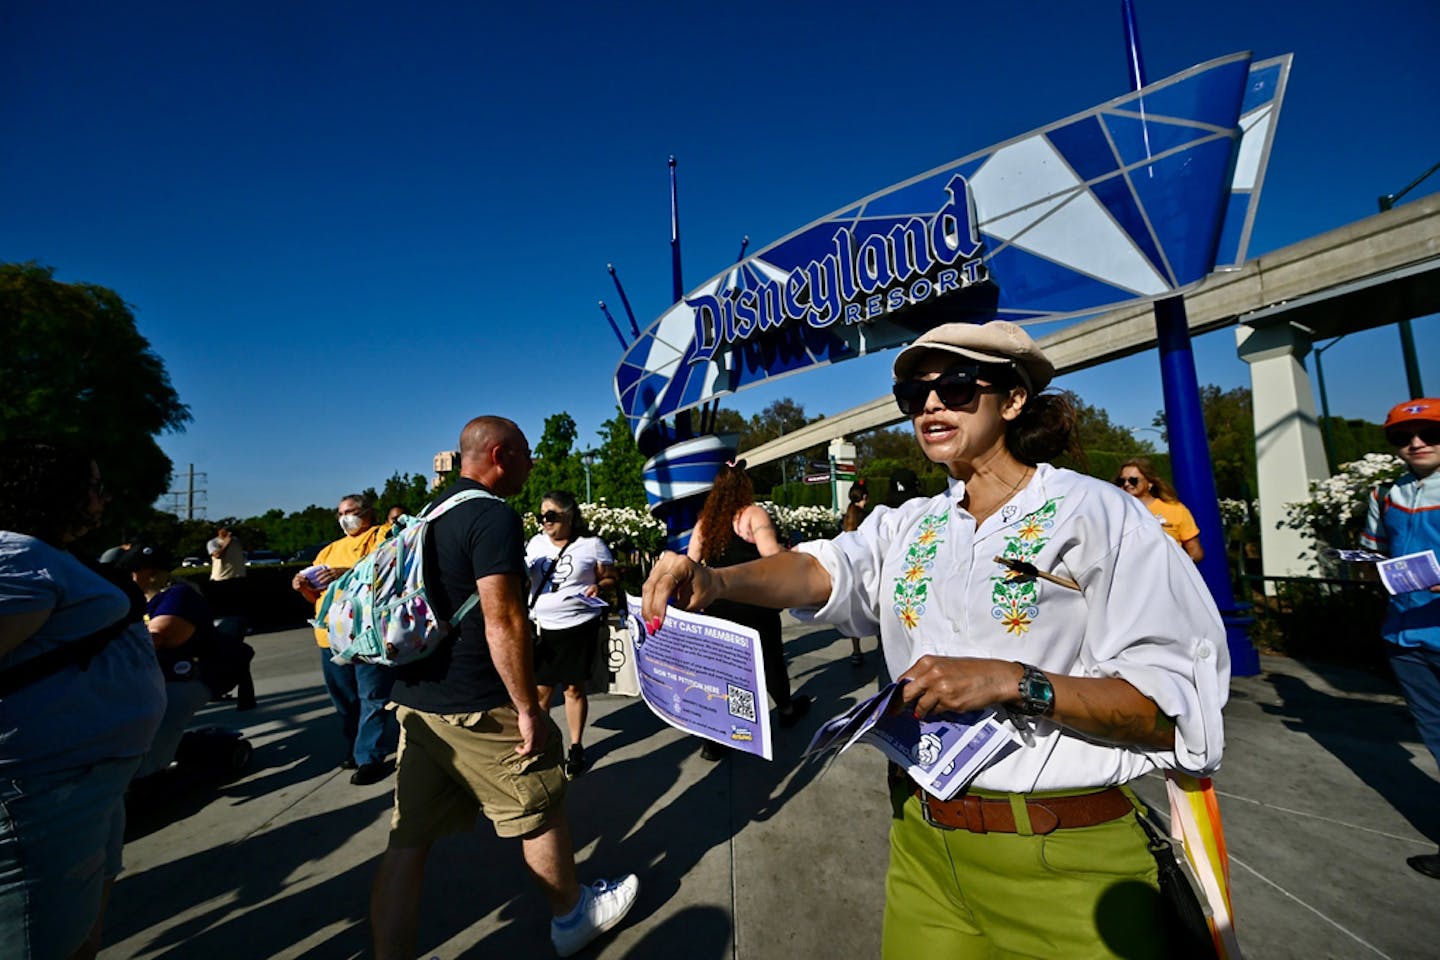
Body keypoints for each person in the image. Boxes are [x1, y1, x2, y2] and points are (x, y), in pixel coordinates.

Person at [643, 321, 1228, 958]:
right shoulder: (909, 525)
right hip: (924, 847)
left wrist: (1014, 681)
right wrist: (715, 578)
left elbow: (1174, 711)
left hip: (1069, 862)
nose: (929, 405)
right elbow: (819, 571)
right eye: (912, 395)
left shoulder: (1098, 514)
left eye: (953, 386)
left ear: (1012, 400)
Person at [370, 416, 637, 959]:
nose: (532, 464)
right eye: (526, 454)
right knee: (539, 803)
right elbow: (504, 620)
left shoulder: (429, 513)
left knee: (407, 842)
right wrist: (527, 709)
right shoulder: (491, 516)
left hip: (419, 702)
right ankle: (572, 916)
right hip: (474, 700)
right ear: (499, 454)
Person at [0, 440, 166, 960]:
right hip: (39, 792)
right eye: (94, 487)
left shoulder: (45, 556)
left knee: (75, 928)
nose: (102, 498)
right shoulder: (17, 557)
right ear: (54, 492)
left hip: (84, 782)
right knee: (37, 941)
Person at [686, 459, 813, 761]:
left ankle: (719, 736)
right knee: (770, 659)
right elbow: (771, 555)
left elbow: (691, 560)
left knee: (725, 669)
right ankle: (785, 708)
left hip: (718, 604)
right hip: (755, 602)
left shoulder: (706, 522)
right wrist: (792, 553)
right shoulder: (753, 515)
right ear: (744, 486)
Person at [1361, 397, 1440, 880]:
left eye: (1429, 433)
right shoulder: (1384, 494)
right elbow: (1375, 557)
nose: (1415, 443)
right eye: (1402, 437)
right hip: (1406, 637)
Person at [291, 495, 396, 786]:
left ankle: (369, 756)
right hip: (330, 638)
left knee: (372, 697)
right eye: (340, 513)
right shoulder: (328, 550)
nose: (345, 518)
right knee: (345, 700)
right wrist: (303, 586)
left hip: (366, 634)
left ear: (368, 513)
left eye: (351, 512)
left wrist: (346, 573)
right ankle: (357, 747)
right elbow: (314, 595)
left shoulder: (381, 536)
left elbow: (387, 571)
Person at [527, 490, 618, 779]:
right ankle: (539, 744)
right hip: (542, 627)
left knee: (572, 688)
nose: (545, 521)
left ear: (569, 516)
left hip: (578, 626)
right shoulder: (535, 544)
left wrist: (600, 586)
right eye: (542, 516)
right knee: (540, 691)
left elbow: (611, 575)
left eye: (551, 515)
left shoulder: (591, 545)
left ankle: (576, 746)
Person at [121, 544, 217, 779]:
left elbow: (159, 637)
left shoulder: (179, 596)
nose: (128, 577)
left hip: (184, 676)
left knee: (156, 718)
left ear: (152, 573)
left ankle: (149, 775)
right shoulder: (136, 600)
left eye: (133, 570)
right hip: (150, 676)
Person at [1114, 457, 1204, 562]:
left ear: (1150, 483)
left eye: (1133, 480)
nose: (1126, 484)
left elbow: (1195, 551)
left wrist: (1181, 566)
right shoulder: (1114, 512)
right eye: (1122, 481)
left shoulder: (1175, 509)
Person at [842, 481, 870, 667]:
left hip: (850, 569)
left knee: (854, 613)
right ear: (865, 497)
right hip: (867, 567)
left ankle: (856, 651)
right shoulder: (868, 517)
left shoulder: (845, 519)